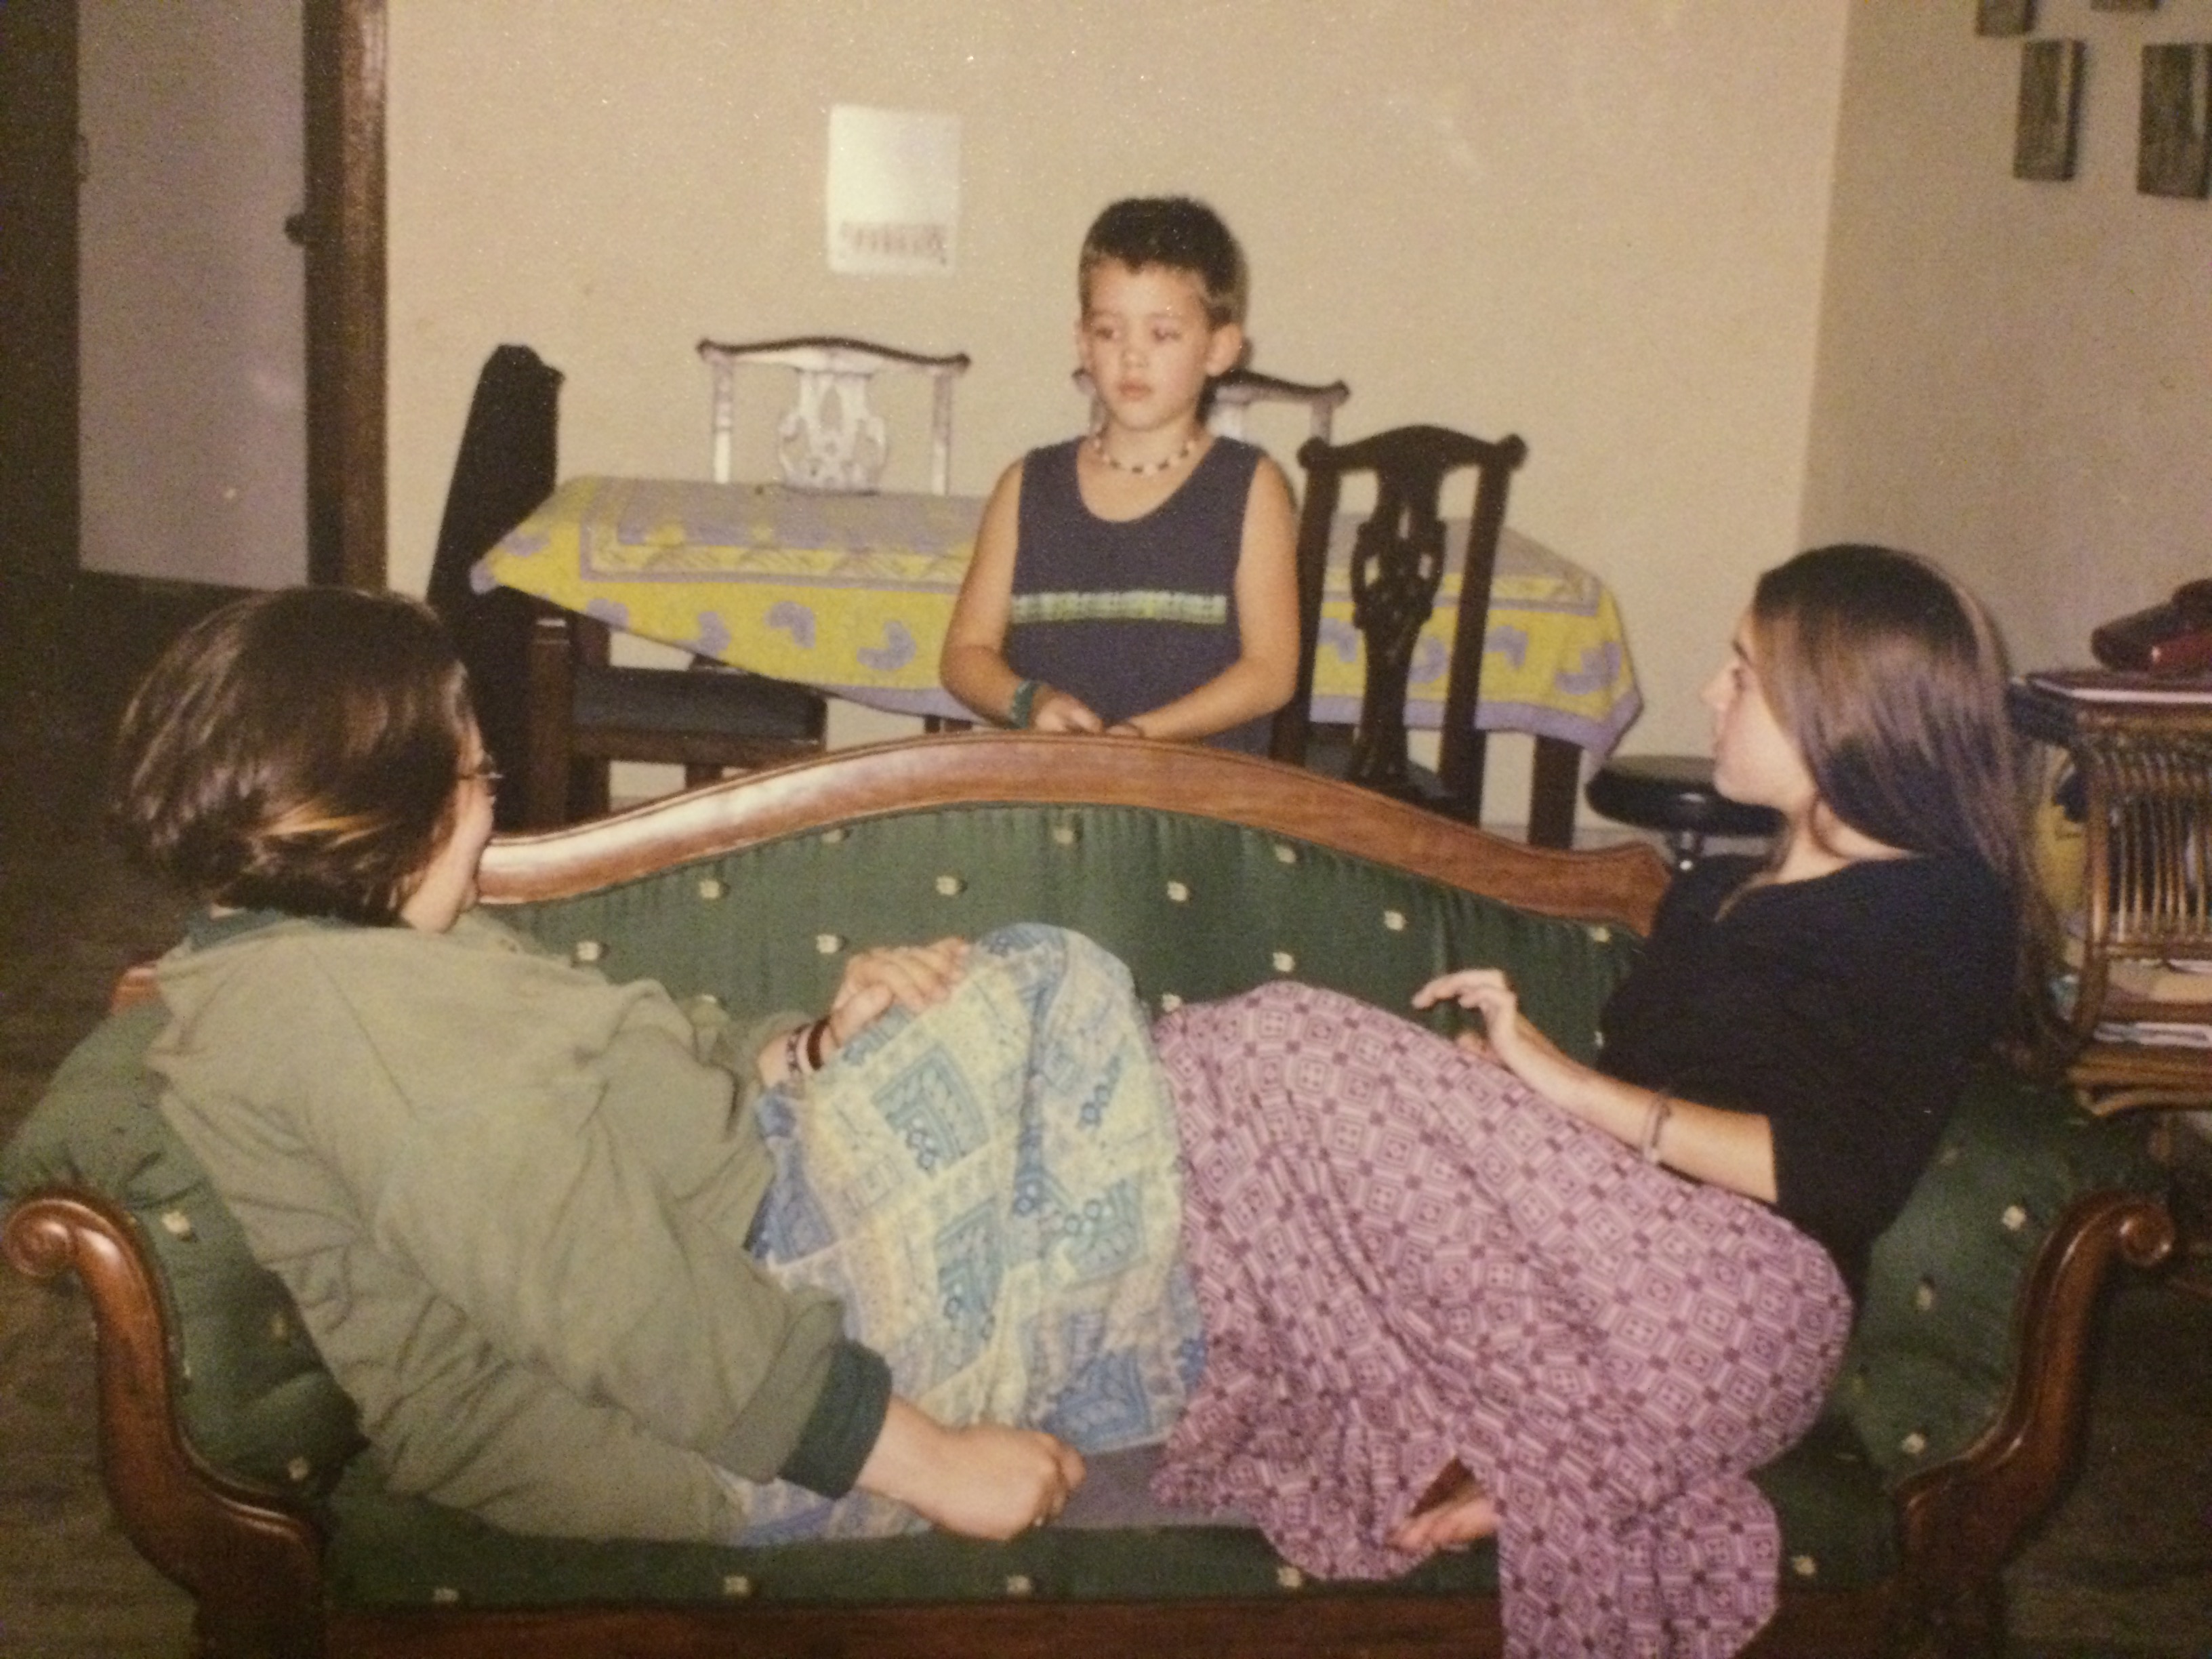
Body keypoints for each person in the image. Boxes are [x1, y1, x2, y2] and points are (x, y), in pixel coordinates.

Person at [107, 586, 1199, 1547]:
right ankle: (1109, 1412)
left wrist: (813, 1048)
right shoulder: (352, 1020)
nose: (491, 809)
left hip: (755, 1243)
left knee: (1115, 1066)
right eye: (476, 775)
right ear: (370, 805)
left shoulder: (344, 948)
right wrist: (936, 1467)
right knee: (1058, 988)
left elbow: (641, 1060)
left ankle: (1118, 1374)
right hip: (711, 1413)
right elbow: (619, 1296)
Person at [1146, 545, 2039, 1657]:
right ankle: (1497, 1435)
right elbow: (1655, 1111)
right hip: (1605, 1263)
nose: (1709, 693)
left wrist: (1559, 1083)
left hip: (1735, 1301)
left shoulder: (1936, 907)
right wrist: (1505, 1099)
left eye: (1742, 674)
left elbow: (1835, 1178)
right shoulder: (1719, 889)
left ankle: (1533, 1443)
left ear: (1838, 709)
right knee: (1218, 1064)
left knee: (1278, 1032)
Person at [939, 194, 1300, 752]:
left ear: (1220, 348)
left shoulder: (1252, 489)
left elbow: (1270, 672)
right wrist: (1029, 702)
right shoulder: (1026, 487)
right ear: (1083, 343)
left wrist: (1141, 738)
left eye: (1162, 334)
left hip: (1198, 793)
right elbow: (964, 655)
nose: (1133, 356)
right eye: (1110, 332)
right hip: (1053, 790)